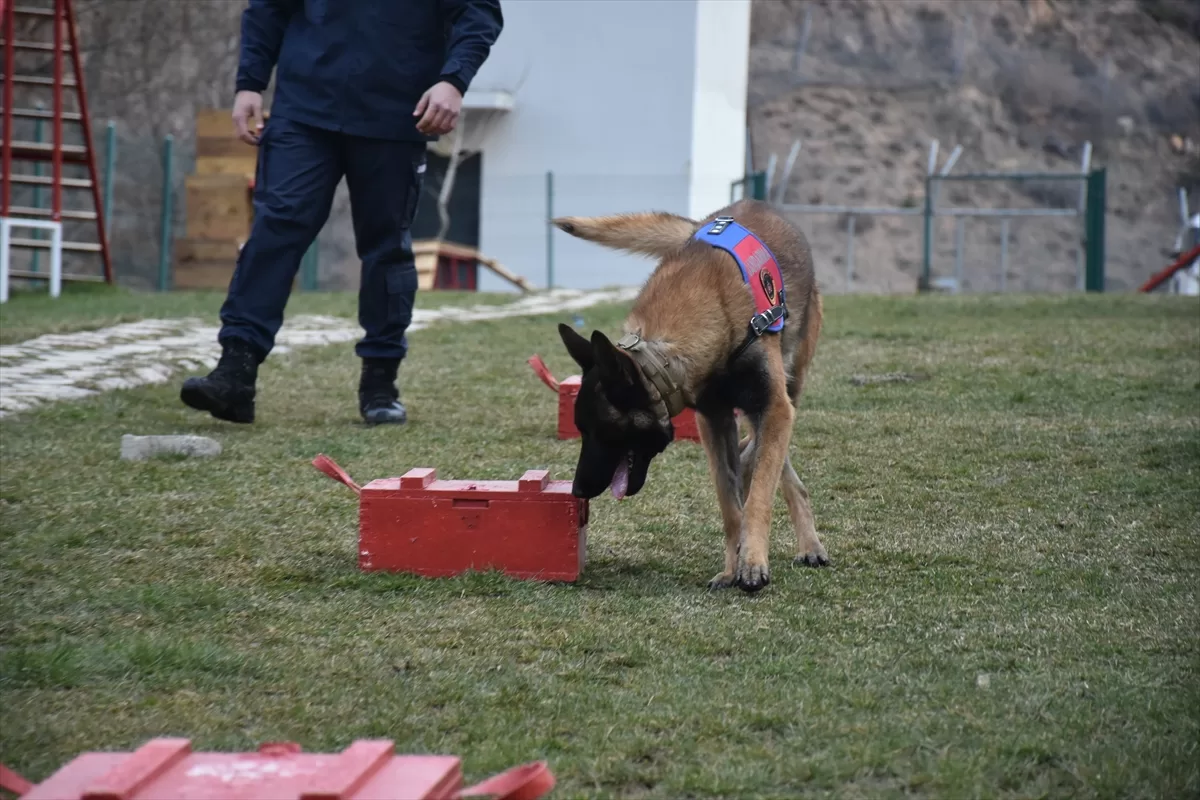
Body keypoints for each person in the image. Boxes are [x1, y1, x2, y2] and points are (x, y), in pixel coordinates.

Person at [180, 0, 503, 425]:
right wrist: (249, 83)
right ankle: (235, 373)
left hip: (397, 114)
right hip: (304, 109)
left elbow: (478, 13)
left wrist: (454, 80)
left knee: (387, 248)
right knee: (275, 231)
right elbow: (267, 8)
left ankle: (380, 384)